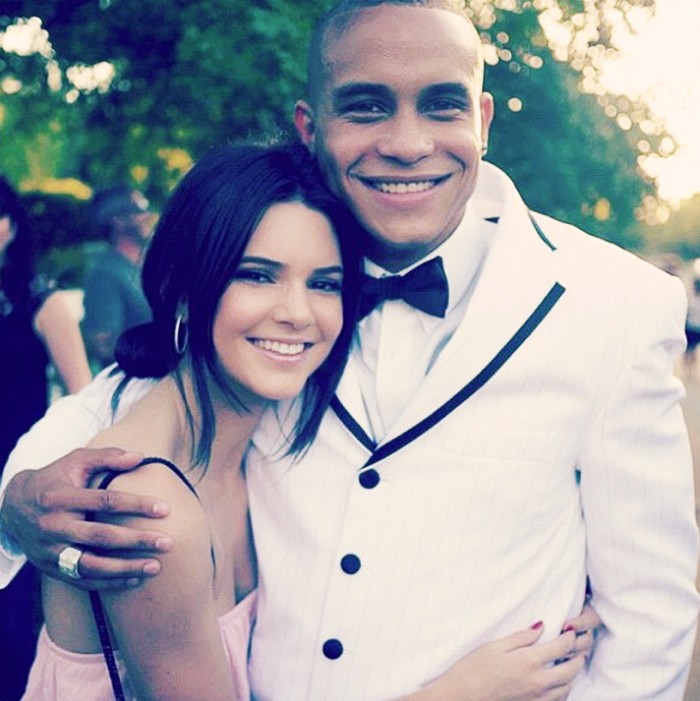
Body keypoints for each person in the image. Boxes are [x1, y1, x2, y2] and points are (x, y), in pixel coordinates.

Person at [1, 2, 698, 699]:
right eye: (366, 107)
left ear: (482, 120)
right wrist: (18, 501)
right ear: (311, 128)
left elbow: (650, 614)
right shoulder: (278, 273)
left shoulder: (616, 304)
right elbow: (125, 397)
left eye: (442, 105)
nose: (407, 143)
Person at [21, 142, 587, 701]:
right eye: (257, 276)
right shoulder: (149, 506)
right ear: (184, 288)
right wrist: (463, 693)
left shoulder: (250, 444)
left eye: (324, 284)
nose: (296, 314)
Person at [0, 176, 92, 700]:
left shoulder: (41, 298)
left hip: (13, 470)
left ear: (12, 226)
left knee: (10, 621)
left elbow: (82, 393)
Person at [81, 186, 153, 368]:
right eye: (140, 208)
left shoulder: (154, 264)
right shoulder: (105, 275)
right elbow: (103, 345)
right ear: (117, 220)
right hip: (137, 379)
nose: (148, 215)